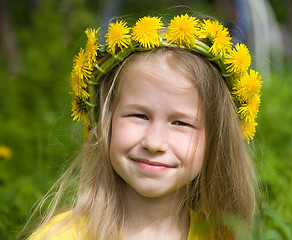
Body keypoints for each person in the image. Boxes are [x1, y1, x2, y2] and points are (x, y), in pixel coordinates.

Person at [25, 13, 263, 240]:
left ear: (216, 140)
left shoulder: (220, 236)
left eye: (181, 122)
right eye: (139, 116)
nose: (154, 143)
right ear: (105, 123)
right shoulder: (61, 236)